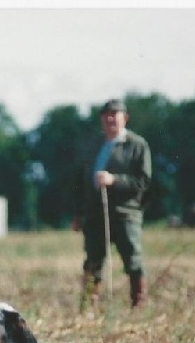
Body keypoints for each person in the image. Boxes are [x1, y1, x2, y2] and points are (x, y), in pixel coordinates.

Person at [71, 99, 152, 309]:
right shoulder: (94, 145)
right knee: (92, 262)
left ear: (124, 118)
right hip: (95, 214)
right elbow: (81, 181)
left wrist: (114, 180)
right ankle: (88, 306)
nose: (109, 119)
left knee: (133, 261)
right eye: (106, 115)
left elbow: (143, 182)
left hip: (125, 213)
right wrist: (79, 213)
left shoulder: (137, 145)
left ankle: (138, 304)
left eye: (114, 114)